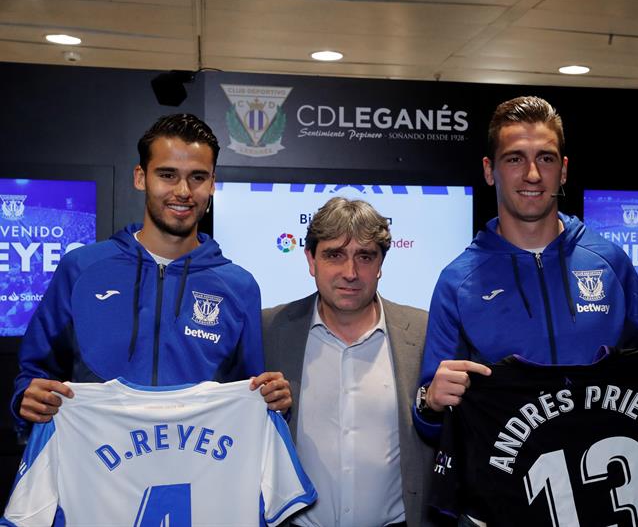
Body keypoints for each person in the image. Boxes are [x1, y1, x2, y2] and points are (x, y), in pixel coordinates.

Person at [413, 95, 638, 441]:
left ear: (564, 170)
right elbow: (429, 420)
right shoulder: (457, 282)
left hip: (604, 481)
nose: (532, 174)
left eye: (546, 158)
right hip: (503, 490)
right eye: (514, 159)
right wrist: (430, 404)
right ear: (489, 170)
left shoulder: (609, 261)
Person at [12, 113, 290, 428]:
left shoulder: (238, 287)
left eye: (197, 177)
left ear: (212, 183)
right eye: (168, 175)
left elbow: (250, 396)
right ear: (141, 177)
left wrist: (272, 400)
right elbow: (35, 373)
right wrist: (27, 395)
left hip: (199, 471)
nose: (183, 191)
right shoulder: (82, 269)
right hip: (96, 468)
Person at [262, 197, 441, 527]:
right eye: (334, 255)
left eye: (365, 256)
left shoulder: (424, 332)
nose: (350, 272)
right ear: (310, 260)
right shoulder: (267, 330)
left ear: (380, 263)